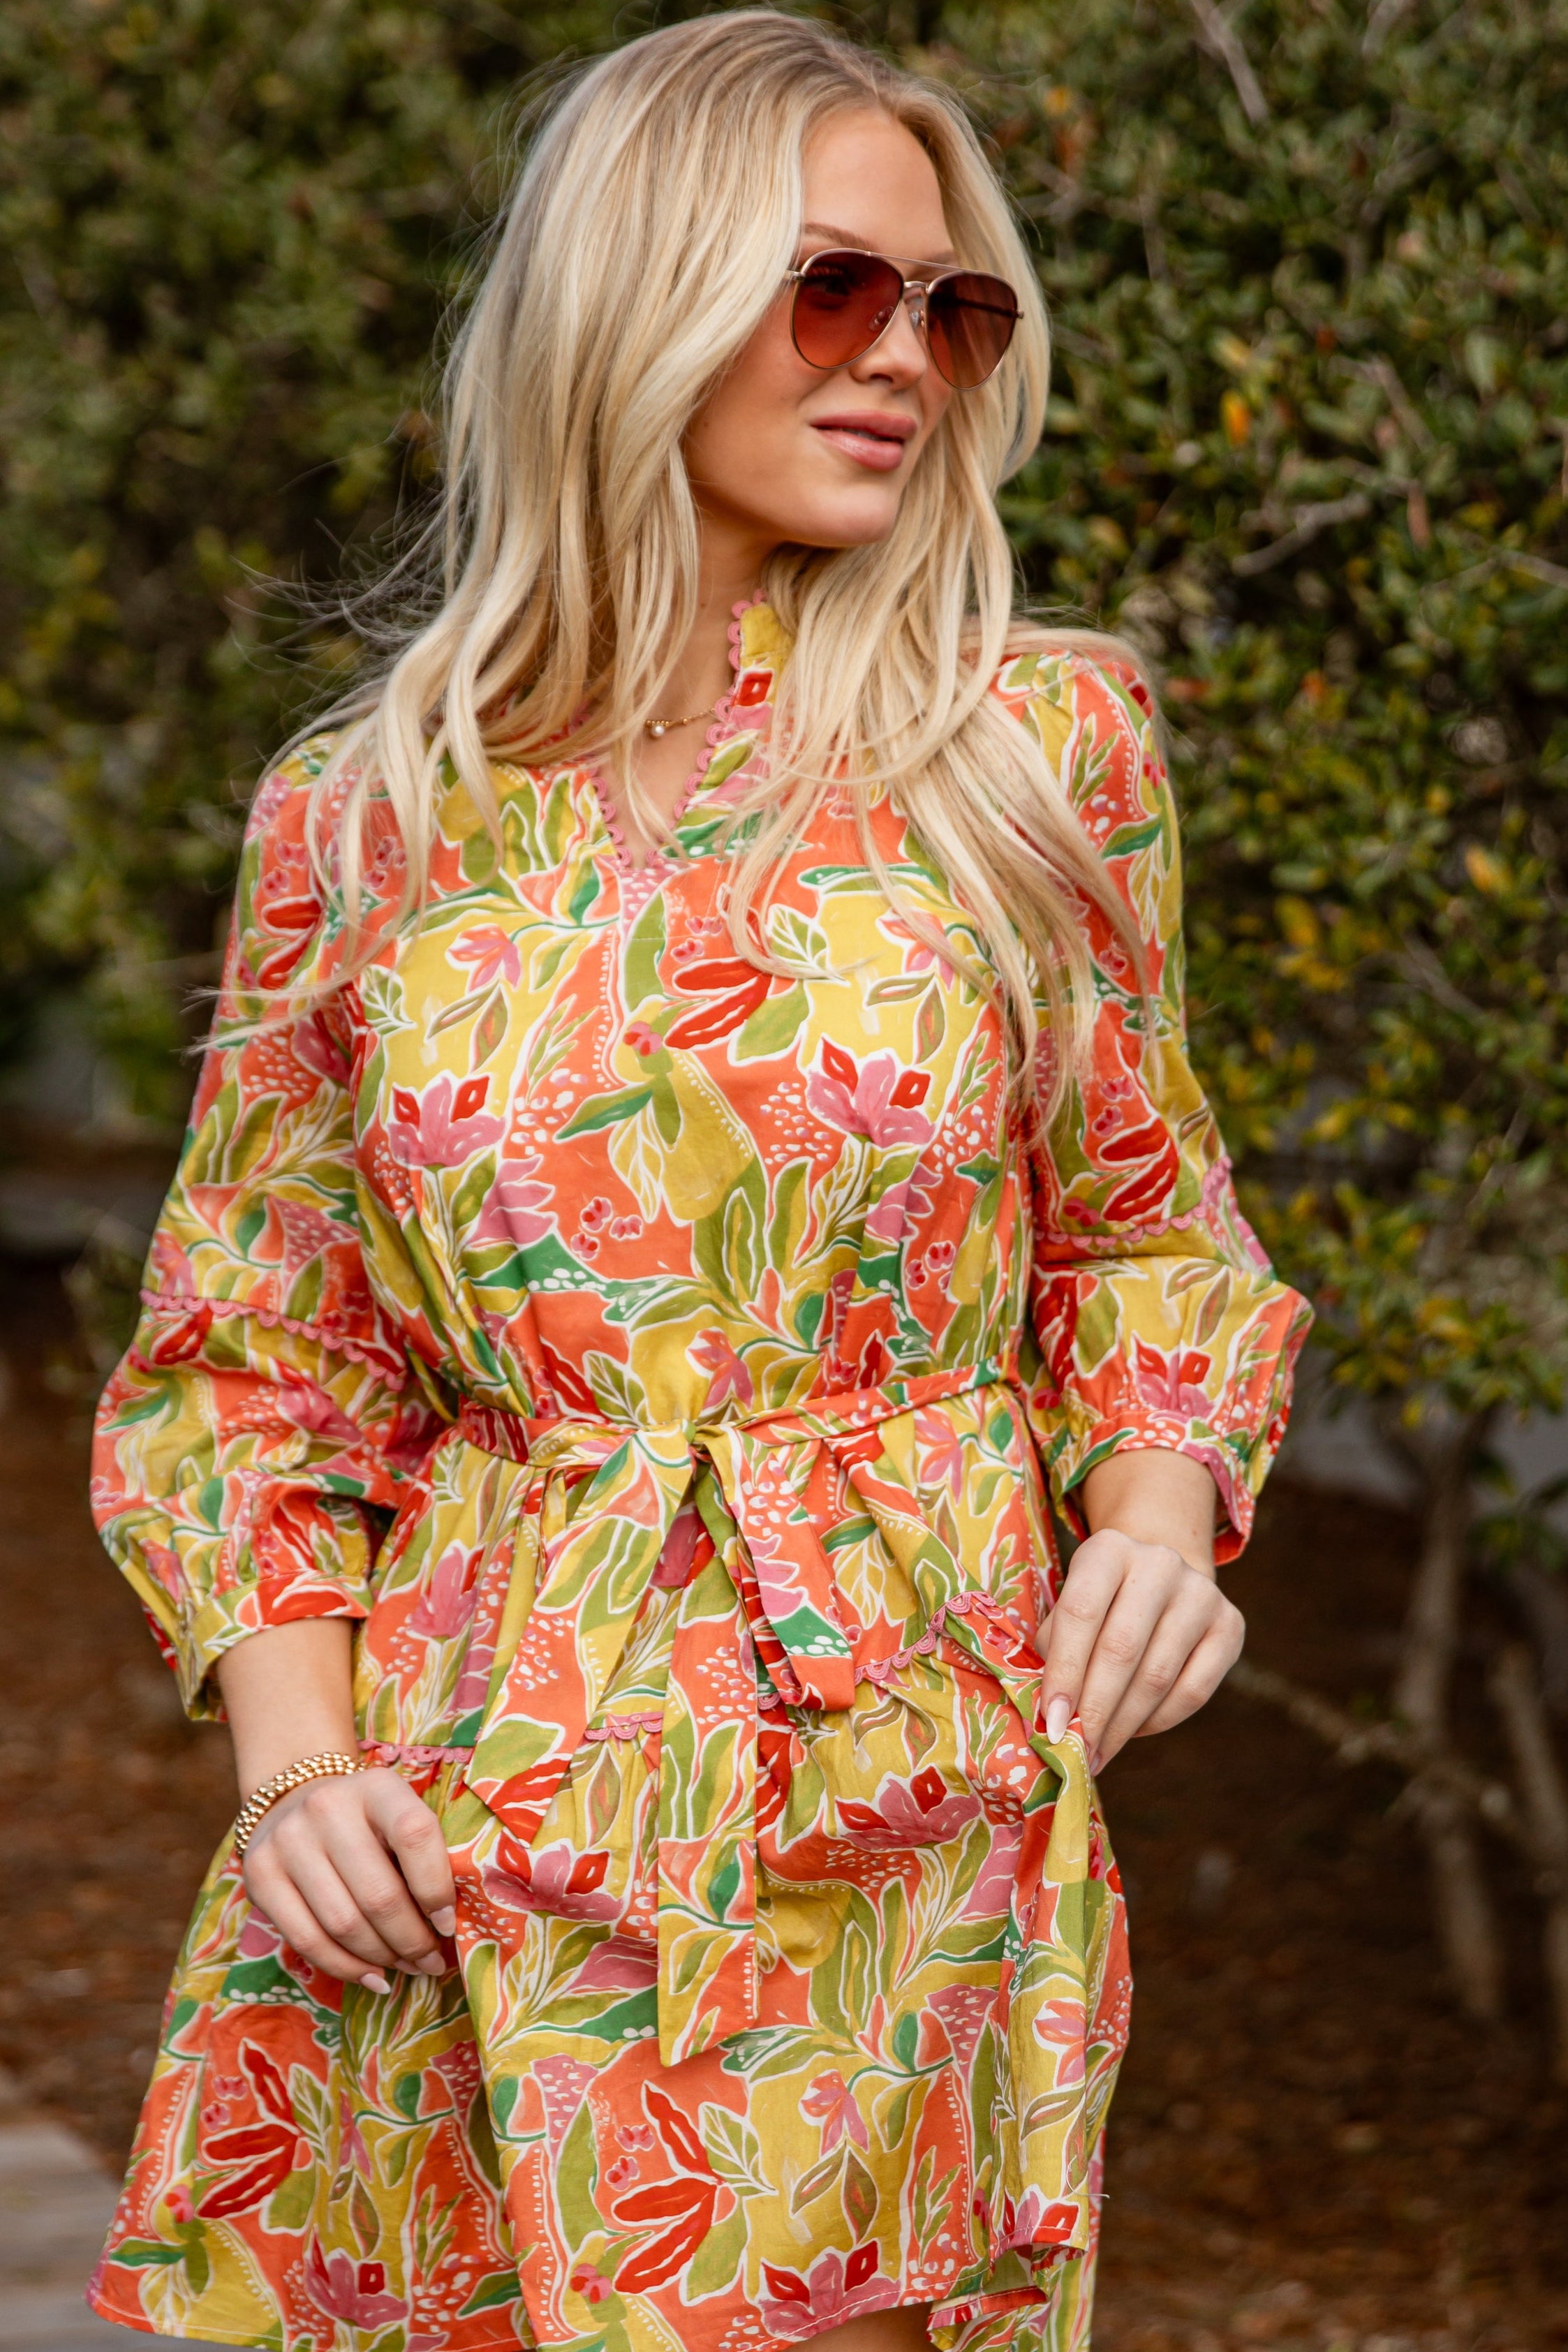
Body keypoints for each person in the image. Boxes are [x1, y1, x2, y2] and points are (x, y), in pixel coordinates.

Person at [87, 13, 1310, 2352]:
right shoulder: (369, 815)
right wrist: (296, 1772)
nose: (907, 360)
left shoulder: (1032, 747)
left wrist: (1157, 1526)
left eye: (953, 307)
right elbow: (249, 1364)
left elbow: (1147, 1228)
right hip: (445, 1828)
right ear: (639, 294)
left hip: (889, 1794)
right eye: (833, 286)